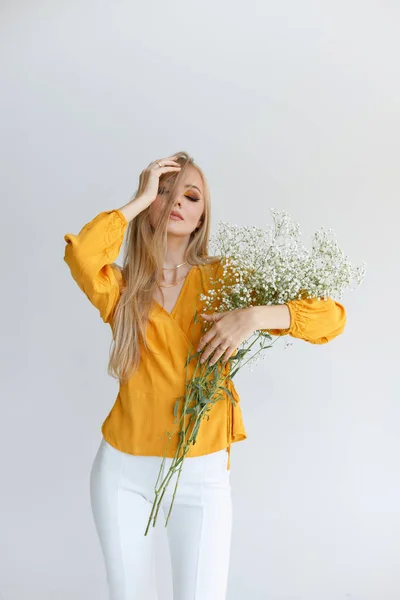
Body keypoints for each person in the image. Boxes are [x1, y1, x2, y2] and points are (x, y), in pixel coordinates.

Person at [63, 151, 347, 600]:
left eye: (190, 196)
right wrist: (138, 198)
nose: (176, 202)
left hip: (201, 474)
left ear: (201, 217)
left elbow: (332, 317)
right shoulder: (122, 286)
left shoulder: (225, 279)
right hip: (122, 471)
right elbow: (82, 254)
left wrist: (251, 316)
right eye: (164, 192)